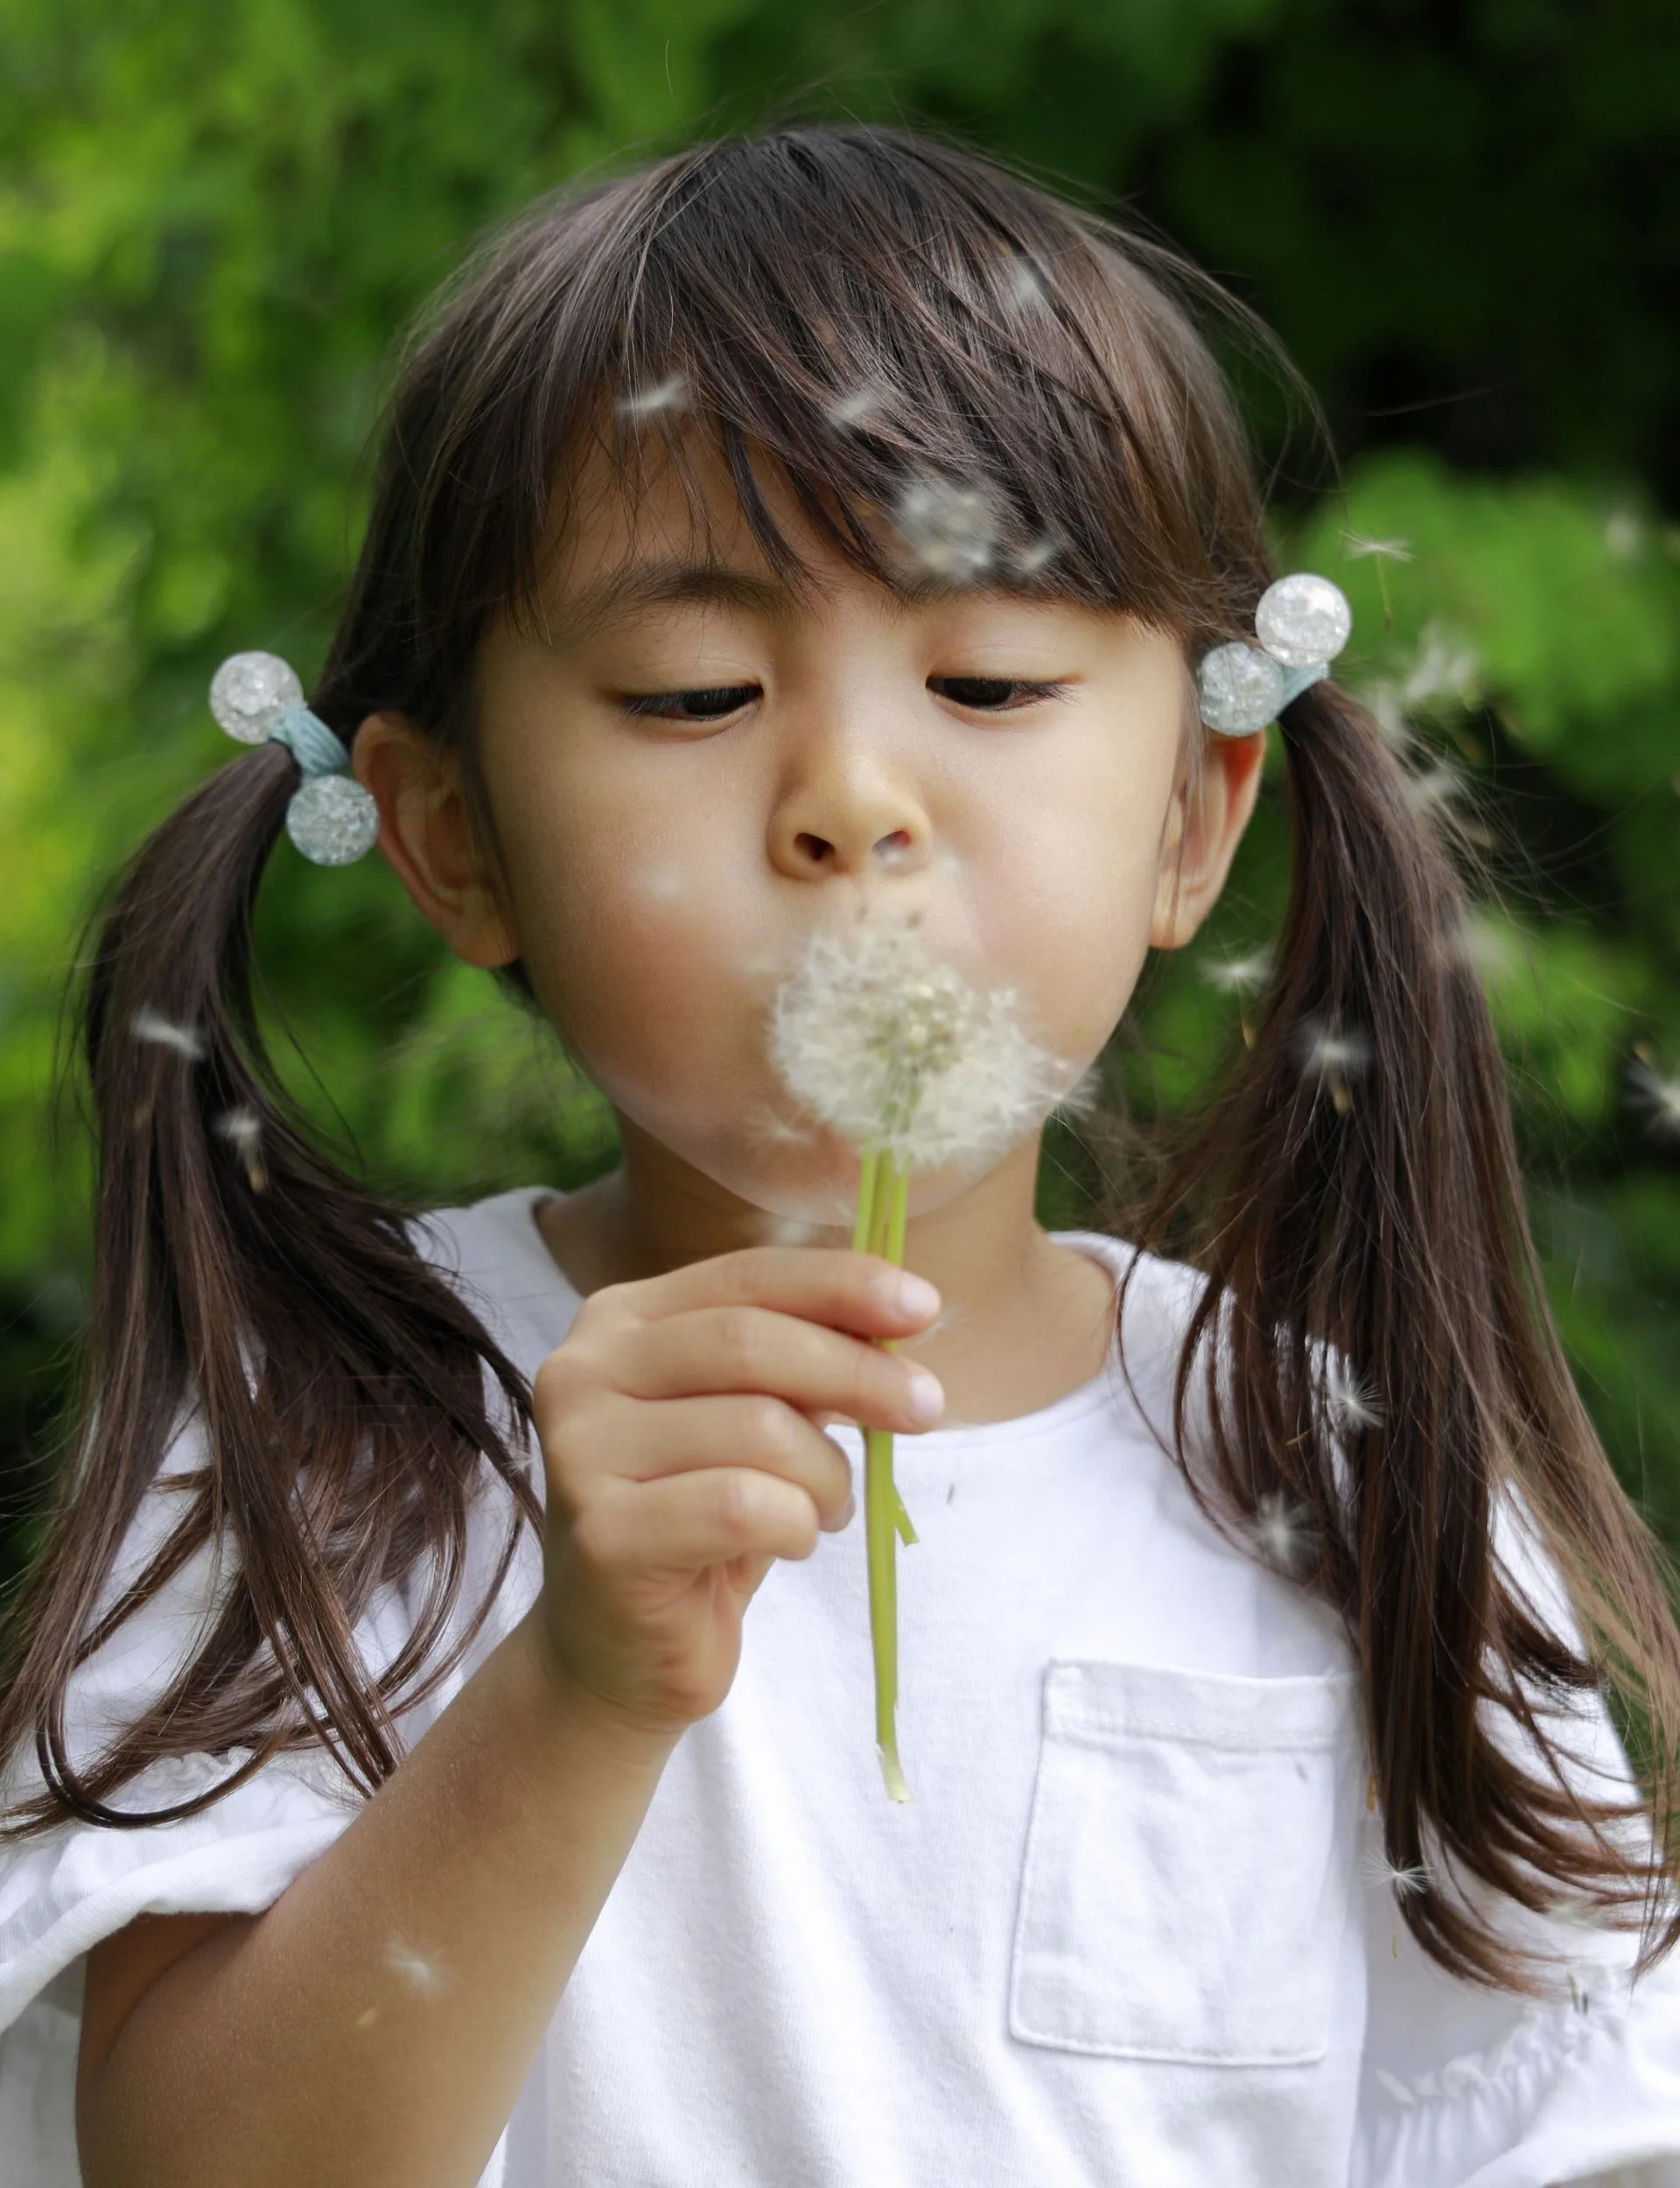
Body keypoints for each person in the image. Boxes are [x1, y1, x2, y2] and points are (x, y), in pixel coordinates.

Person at [0, 123, 1676, 2188]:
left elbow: (1572, 2134)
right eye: (693, 692)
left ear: (1192, 813)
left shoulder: (1338, 1472)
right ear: (448, 838)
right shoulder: (338, 1442)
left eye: (987, 677)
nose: (855, 794)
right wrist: (580, 1689)